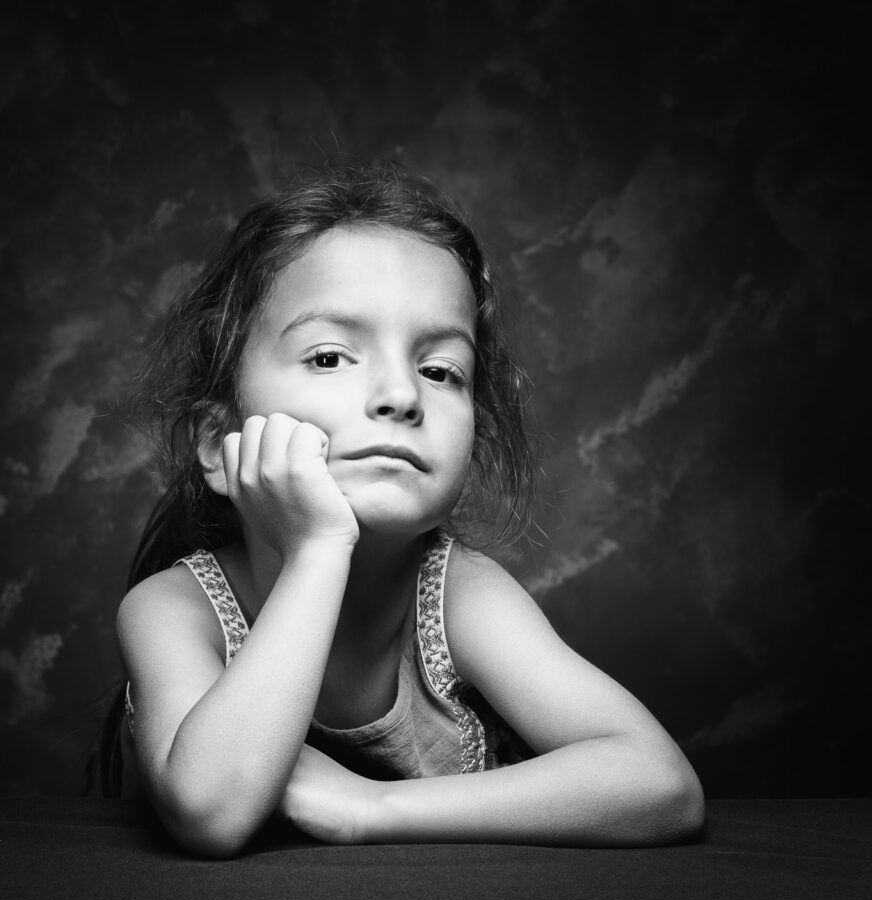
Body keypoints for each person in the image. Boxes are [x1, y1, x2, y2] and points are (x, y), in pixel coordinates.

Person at [102, 160, 704, 857]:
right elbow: (210, 811)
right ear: (218, 442)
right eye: (329, 357)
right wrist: (319, 549)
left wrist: (372, 806)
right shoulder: (173, 609)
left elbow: (662, 786)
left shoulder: (461, 596)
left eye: (440, 369)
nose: (401, 395)